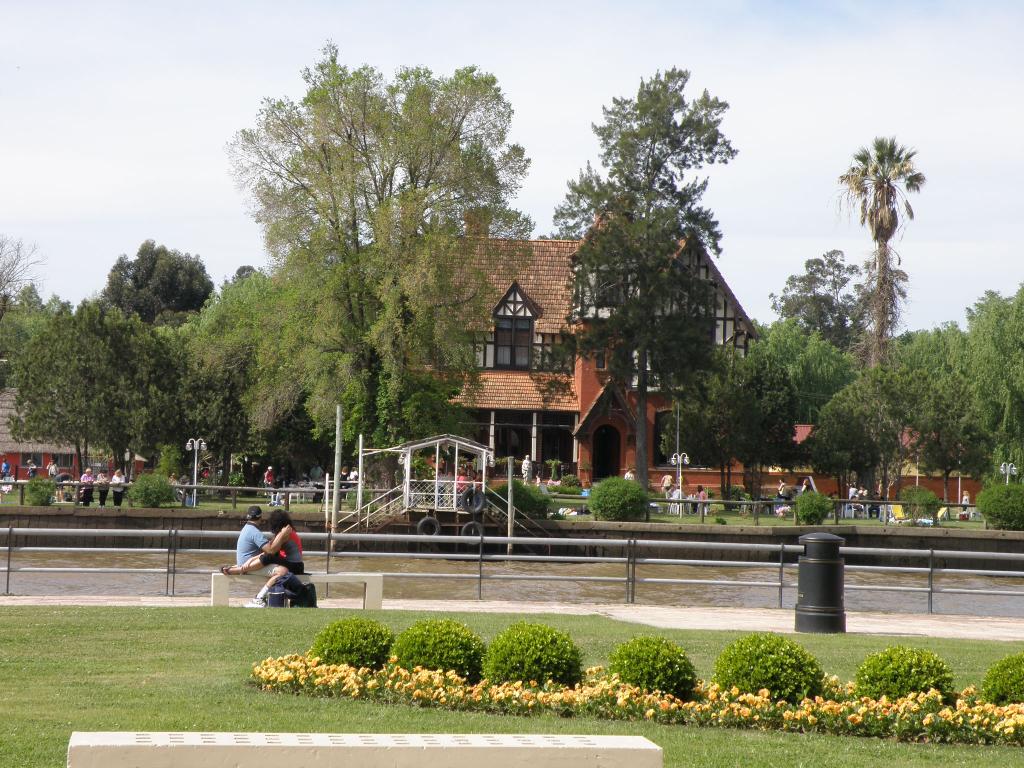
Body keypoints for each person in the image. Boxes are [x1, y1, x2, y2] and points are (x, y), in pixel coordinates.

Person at [221, 507, 304, 608]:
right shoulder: (280, 532)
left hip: (296, 566)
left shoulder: (285, 533)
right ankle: (259, 596)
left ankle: (240, 571)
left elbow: (271, 550)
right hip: (289, 563)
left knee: (269, 558)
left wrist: (281, 534)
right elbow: (271, 549)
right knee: (269, 558)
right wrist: (252, 559)